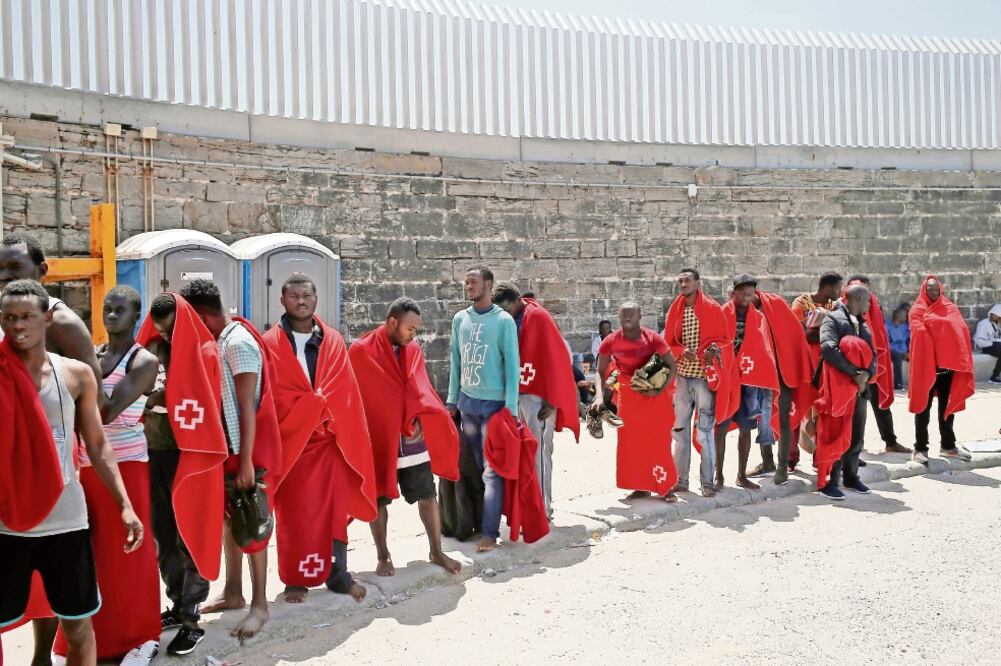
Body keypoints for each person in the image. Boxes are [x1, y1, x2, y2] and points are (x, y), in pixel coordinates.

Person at [0, 279, 143, 664]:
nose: (18, 326)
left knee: (79, 625)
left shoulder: (76, 375)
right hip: (6, 523)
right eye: (9, 317)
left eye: (27, 316)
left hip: (65, 521)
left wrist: (125, 504)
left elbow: (97, 445)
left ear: (47, 318)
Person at [50, 287, 160, 665]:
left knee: (130, 553)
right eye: (107, 309)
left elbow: (108, 411)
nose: (111, 316)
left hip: (127, 466)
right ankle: (90, 641)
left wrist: (83, 362)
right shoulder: (92, 353)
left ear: (136, 315)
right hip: (87, 466)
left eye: (120, 310)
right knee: (93, 553)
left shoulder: (143, 361)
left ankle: (140, 637)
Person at [179, 279, 282, 642]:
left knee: (253, 522)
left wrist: (248, 462)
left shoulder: (237, 343)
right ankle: (234, 591)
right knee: (230, 519)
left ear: (201, 315)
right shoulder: (221, 339)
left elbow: (247, 406)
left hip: (246, 450)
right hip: (231, 449)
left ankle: (260, 606)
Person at [263, 274, 376, 604]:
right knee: (294, 515)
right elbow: (273, 396)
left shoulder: (333, 341)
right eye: (294, 296)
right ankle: (294, 579)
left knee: (333, 512)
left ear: (316, 300)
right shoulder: (269, 345)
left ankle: (337, 573)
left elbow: (345, 393)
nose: (301, 301)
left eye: (307, 295)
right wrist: (308, 409)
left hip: (330, 444)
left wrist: (323, 413)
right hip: (292, 446)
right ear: (282, 301)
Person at [349, 296, 462, 577]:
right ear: (392, 322)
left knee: (426, 493)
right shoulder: (360, 352)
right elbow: (354, 397)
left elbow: (420, 387)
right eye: (410, 329)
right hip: (378, 439)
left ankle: (436, 551)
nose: (414, 335)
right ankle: (383, 556)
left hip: (411, 439)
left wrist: (422, 412)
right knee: (378, 499)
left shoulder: (413, 351)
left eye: (416, 330)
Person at [140, 292, 225, 657]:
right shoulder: (150, 349)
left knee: (190, 534)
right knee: (162, 533)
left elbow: (210, 404)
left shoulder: (205, 352)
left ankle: (192, 617)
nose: (167, 337)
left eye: (172, 329)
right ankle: (177, 603)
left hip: (191, 456)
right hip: (152, 452)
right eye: (161, 330)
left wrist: (162, 400)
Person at [446, 267, 520, 553]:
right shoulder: (459, 319)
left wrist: (511, 408)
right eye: (466, 282)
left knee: (492, 472)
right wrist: (452, 401)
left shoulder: (503, 322)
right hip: (467, 404)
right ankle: (476, 523)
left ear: (489, 285)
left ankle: (490, 532)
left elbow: (512, 365)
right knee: (474, 468)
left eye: (474, 282)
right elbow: (456, 361)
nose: (469, 286)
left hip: (494, 408)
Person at [493, 283, 580, 519]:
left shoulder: (539, 317)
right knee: (519, 455)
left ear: (517, 300)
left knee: (539, 454)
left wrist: (553, 399)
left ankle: (542, 510)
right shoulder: (507, 319)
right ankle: (524, 508)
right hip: (515, 395)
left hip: (538, 397)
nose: (504, 313)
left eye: (506, 308)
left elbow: (558, 357)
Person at [590, 302, 678, 500]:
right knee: (632, 443)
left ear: (640, 316)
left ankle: (665, 487)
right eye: (623, 315)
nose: (627, 318)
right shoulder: (611, 341)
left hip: (654, 396)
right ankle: (640, 486)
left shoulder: (653, 338)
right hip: (629, 397)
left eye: (631, 314)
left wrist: (658, 390)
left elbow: (672, 366)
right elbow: (600, 370)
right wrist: (598, 396)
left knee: (658, 441)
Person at [664, 268, 733, 498]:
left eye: (687, 280)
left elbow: (724, 342)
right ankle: (680, 481)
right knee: (680, 431)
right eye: (680, 280)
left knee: (704, 431)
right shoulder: (676, 309)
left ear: (697, 283)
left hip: (704, 379)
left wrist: (708, 352)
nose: (683, 284)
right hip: (682, 377)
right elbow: (669, 344)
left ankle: (707, 483)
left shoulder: (713, 309)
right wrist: (683, 351)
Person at [715, 275, 779, 491]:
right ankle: (719, 477)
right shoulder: (722, 313)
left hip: (749, 381)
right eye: (743, 293)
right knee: (721, 427)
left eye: (750, 294)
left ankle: (741, 475)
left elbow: (764, 349)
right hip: (726, 380)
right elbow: (715, 344)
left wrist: (766, 380)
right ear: (734, 292)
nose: (746, 298)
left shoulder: (758, 317)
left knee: (746, 427)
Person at [815, 285, 877, 500]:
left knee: (856, 435)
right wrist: (855, 374)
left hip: (859, 390)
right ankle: (830, 481)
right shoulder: (832, 319)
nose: (869, 305)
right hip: (838, 389)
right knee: (835, 433)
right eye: (867, 301)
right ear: (858, 299)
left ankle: (851, 476)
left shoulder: (864, 324)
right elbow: (829, 348)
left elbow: (873, 355)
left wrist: (867, 375)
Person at [909, 276, 975, 464]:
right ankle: (920, 448)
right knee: (923, 408)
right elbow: (921, 334)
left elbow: (960, 330)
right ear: (924, 290)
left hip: (948, 369)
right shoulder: (917, 310)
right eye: (929, 289)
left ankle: (948, 446)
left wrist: (938, 330)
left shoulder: (949, 307)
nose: (933, 292)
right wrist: (939, 330)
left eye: (935, 289)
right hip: (926, 368)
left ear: (940, 290)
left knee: (947, 409)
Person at [751, 288, 814, 485]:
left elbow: (794, 333)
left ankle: (782, 466)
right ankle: (767, 461)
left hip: (782, 374)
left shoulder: (776, 305)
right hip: (758, 376)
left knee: (784, 420)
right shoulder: (742, 312)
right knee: (761, 419)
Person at [843, 275, 911, 455]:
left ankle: (890, 441)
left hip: (873, 363)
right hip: (855, 366)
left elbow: (878, 334)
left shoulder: (873, 304)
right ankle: (857, 447)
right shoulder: (843, 305)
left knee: (881, 404)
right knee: (858, 409)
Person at [973, 304, 1001, 384]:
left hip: (997, 346)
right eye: (992, 314)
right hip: (986, 346)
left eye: (995, 315)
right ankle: (994, 376)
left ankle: (994, 376)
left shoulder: (998, 324)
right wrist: (992, 342)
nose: (992, 316)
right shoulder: (983, 323)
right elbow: (978, 340)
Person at [887, 305, 911, 390]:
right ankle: (898, 384)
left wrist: (907, 352)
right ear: (898, 315)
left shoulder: (905, 327)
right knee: (897, 356)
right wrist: (901, 352)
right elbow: (886, 342)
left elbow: (907, 341)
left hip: (903, 351)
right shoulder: (887, 325)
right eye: (904, 315)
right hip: (891, 350)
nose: (906, 317)